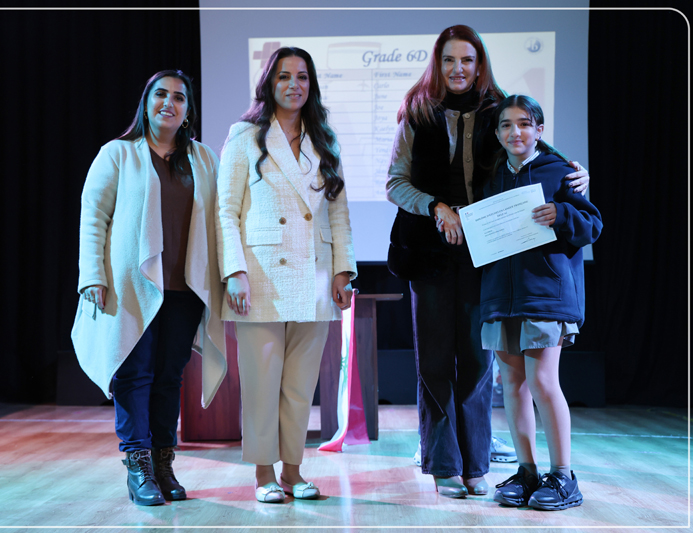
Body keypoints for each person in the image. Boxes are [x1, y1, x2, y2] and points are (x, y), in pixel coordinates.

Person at [385, 25, 589, 498]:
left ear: (480, 65)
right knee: (435, 361)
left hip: (488, 255)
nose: (458, 69)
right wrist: (437, 207)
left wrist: (580, 173)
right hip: (428, 253)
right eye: (449, 60)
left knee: (479, 364)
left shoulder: (499, 109)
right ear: (437, 64)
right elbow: (395, 183)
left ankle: (476, 464)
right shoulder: (416, 112)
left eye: (467, 60)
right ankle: (443, 465)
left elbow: (544, 154)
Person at [72, 70, 226, 506]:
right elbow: (93, 216)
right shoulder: (118, 153)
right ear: (146, 102)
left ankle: (163, 463)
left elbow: (220, 219)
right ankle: (137, 465)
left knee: (169, 376)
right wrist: (92, 275)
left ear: (188, 110)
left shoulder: (203, 158)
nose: (169, 103)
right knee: (134, 373)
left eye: (179, 97)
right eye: (161, 94)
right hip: (131, 285)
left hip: (186, 287)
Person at [216, 47, 356, 504]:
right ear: (268, 84)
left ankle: (293, 471)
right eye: (283, 76)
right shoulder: (244, 135)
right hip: (259, 276)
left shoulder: (324, 139)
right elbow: (226, 210)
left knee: (300, 385)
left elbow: (339, 214)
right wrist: (234, 271)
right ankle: (263, 475)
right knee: (261, 383)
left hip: (315, 274)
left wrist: (343, 271)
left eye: (302, 76)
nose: (294, 85)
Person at [484, 95, 601, 510]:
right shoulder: (492, 177)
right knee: (512, 386)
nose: (514, 132)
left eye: (523, 123)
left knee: (543, 382)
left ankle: (564, 475)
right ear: (497, 133)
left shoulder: (561, 172)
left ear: (539, 130)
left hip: (545, 296)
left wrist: (561, 214)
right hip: (500, 297)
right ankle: (527, 471)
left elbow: (592, 225)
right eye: (506, 125)